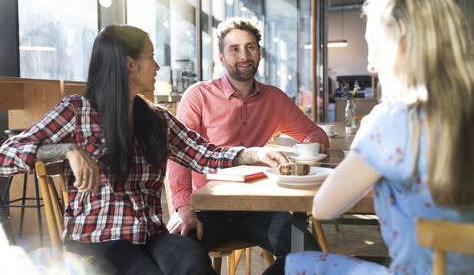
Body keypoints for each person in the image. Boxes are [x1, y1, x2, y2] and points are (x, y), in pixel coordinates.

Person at [0, 25, 289, 275]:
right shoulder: (78, 111)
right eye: (151, 57)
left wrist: (256, 154)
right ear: (129, 64)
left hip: (150, 235)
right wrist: (67, 150)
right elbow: (6, 153)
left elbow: (203, 153)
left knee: (192, 260)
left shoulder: (156, 118)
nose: (157, 66)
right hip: (97, 240)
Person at [285, 0, 474, 274]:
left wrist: (366, 138)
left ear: (401, 39)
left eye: (374, 45)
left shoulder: (394, 120)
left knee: (293, 263)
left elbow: (324, 208)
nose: (370, 63)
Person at [166, 17, 330, 274]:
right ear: (221, 57)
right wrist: (184, 209)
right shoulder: (198, 95)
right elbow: (178, 155)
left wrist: (300, 156)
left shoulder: (274, 99)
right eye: (234, 48)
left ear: (260, 53)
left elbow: (315, 134)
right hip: (204, 207)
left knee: (308, 255)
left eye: (250, 47)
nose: (244, 55)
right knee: (178, 260)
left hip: (256, 206)